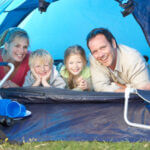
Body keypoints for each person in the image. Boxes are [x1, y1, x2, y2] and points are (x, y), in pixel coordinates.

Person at [86, 27, 150, 92]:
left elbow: (143, 91)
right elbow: (100, 88)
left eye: (103, 47)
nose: (100, 55)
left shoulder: (133, 58)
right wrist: (126, 89)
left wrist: (118, 87)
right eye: (95, 51)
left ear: (113, 43)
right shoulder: (93, 59)